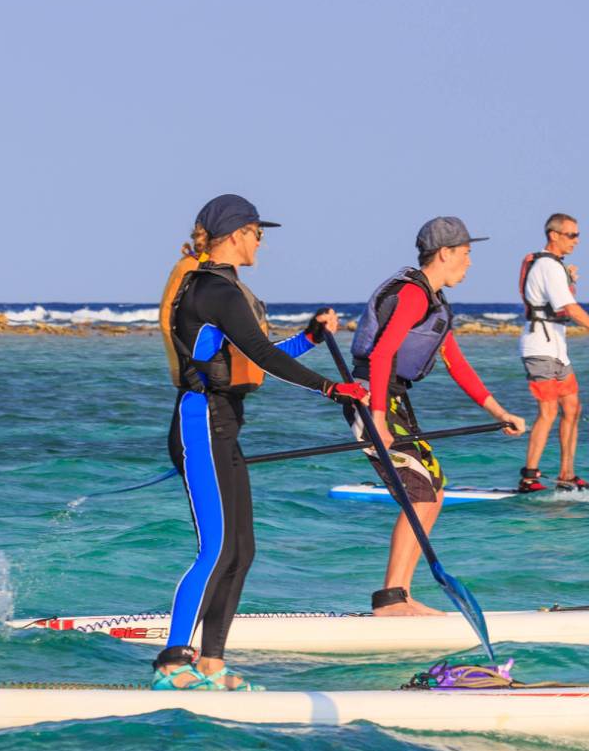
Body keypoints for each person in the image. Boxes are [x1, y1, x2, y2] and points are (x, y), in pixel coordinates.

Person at [152, 194, 367, 690]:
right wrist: (330, 387)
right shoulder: (213, 291)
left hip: (224, 424)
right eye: (256, 232)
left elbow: (259, 354)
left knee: (241, 550)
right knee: (216, 549)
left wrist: (311, 338)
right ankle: (170, 664)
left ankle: (211, 664)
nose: (261, 241)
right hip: (199, 423)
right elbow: (265, 356)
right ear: (234, 234)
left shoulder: (229, 291)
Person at [346, 216, 527, 617]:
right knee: (419, 493)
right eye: (466, 253)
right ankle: (390, 599)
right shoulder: (412, 295)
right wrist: (377, 419)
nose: (470, 262)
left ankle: (402, 594)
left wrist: (499, 412)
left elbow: (456, 363)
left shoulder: (434, 300)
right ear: (445, 253)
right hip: (372, 400)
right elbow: (380, 355)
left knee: (435, 491)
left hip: (392, 401)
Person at [516, 213, 589, 492]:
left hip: (558, 347)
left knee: (572, 408)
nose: (576, 241)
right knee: (548, 411)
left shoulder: (556, 267)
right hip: (539, 347)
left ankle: (566, 475)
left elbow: (560, 303)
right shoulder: (547, 266)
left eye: (578, 235)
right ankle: (529, 477)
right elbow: (569, 308)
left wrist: (569, 280)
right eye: (571, 235)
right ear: (553, 235)